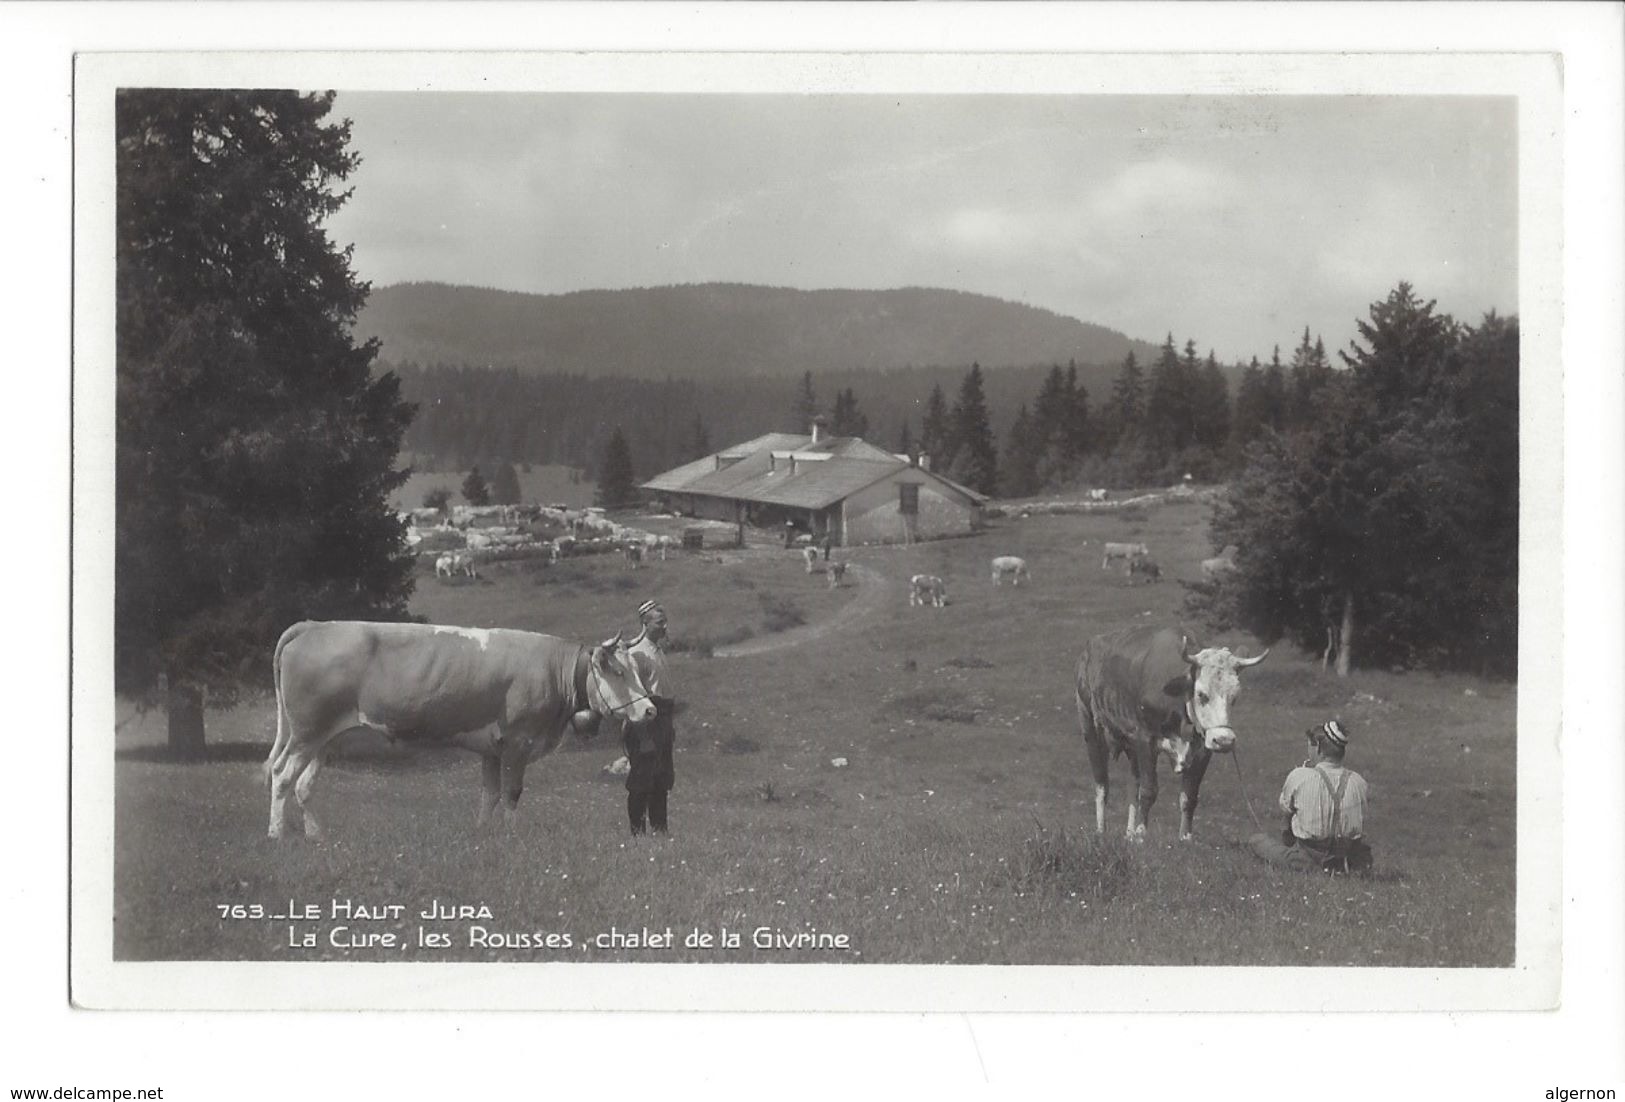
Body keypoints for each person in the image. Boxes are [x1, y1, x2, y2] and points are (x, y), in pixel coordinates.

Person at [1249, 720, 1373, 873]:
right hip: (1347, 858)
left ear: (1319, 748)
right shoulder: (1359, 781)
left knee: (1257, 841)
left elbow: (1286, 817)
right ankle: (1351, 868)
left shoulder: (1300, 775)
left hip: (1309, 858)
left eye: (1310, 746)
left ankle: (1305, 864)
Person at [621, 599, 676, 836]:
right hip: (644, 724)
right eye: (659, 622)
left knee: (661, 780)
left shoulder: (657, 651)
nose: (664, 626)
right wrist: (643, 736)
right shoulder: (636, 655)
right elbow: (634, 700)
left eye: (665, 622)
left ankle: (660, 832)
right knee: (641, 782)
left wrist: (668, 728)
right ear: (645, 623)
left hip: (663, 722)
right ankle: (637, 835)